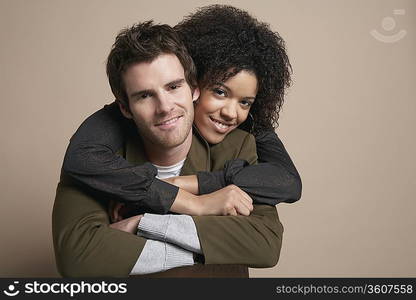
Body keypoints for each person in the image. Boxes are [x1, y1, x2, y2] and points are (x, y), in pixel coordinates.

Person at [53, 19, 284, 277]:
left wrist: (144, 223)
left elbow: (265, 243)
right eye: (145, 95)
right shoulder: (93, 157)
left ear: (194, 89)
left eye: (173, 87)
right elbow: (78, 260)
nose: (164, 107)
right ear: (125, 108)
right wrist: (205, 225)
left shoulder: (238, 146)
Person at [62, 5, 301, 220]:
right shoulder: (140, 107)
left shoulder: (249, 125)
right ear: (195, 83)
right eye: (219, 91)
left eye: (246, 101)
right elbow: (80, 157)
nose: (230, 112)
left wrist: (184, 184)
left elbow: (288, 183)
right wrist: (189, 201)